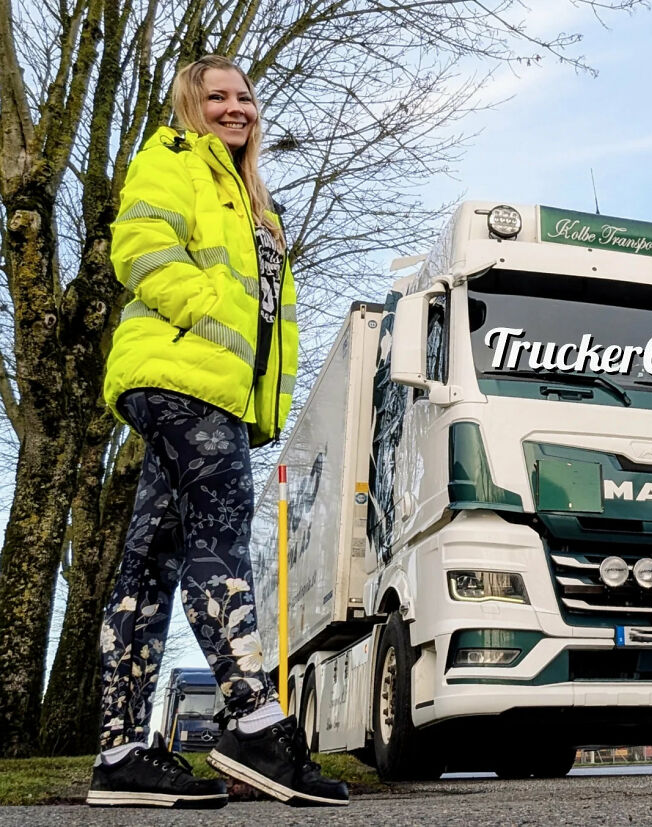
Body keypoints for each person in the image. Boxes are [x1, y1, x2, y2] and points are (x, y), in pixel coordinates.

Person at [87, 55, 348, 809]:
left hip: (206, 388)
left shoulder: (252, 200)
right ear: (190, 105)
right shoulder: (171, 158)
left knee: (150, 565)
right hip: (183, 378)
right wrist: (213, 315)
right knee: (221, 539)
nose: (236, 107)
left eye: (245, 96)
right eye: (217, 97)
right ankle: (255, 722)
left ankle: (120, 752)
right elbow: (139, 247)